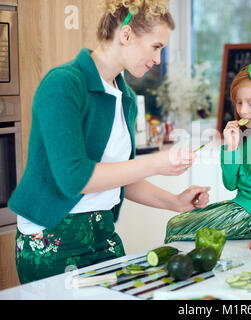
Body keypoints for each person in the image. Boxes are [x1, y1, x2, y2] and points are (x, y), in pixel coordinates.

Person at [9, 0, 209, 284]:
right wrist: (155, 163)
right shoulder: (64, 84)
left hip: (103, 234)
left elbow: (120, 176)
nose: (158, 59)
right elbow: (76, 179)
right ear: (126, 35)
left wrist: (175, 202)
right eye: (156, 46)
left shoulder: (125, 97)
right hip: (52, 237)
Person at [164, 55, 251, 249]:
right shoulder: (245, 137)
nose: (243, 111)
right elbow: (230, 184)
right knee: (175, 223)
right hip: (239, 206)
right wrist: (230, 148)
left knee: (176, 227)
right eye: (239, 103)